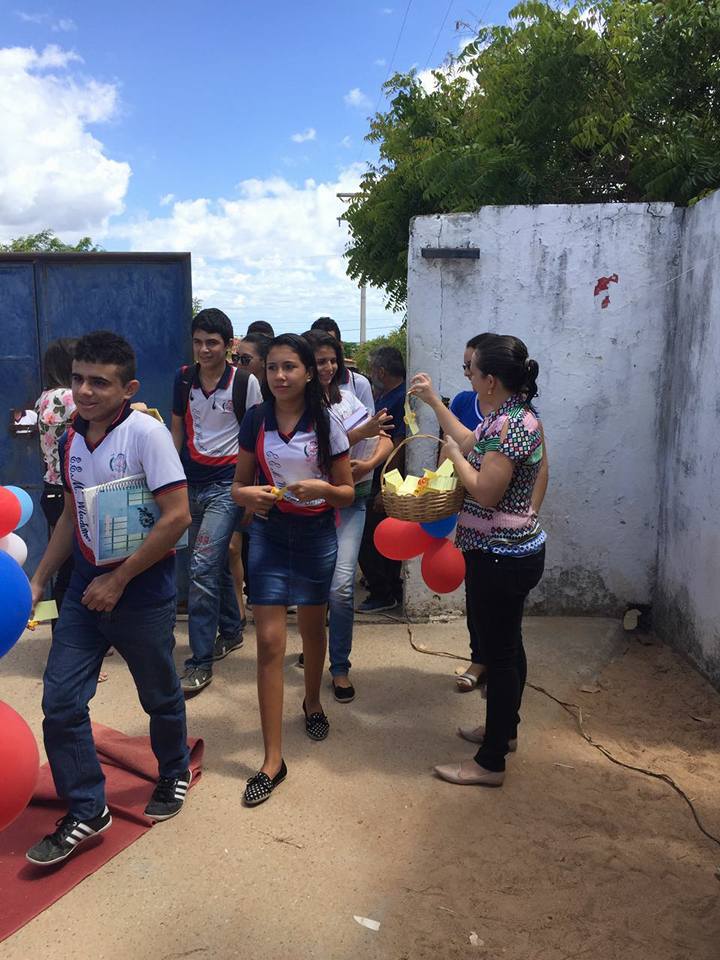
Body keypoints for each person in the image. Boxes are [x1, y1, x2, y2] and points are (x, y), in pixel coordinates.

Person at [26, 332, 193, 866]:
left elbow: (178, 517)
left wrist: (118, 581)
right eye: (78, 379)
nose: (84, 391)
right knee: (60, 701)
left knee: (158, 693)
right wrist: (39, 579)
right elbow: (70, 515)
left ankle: (173, 770)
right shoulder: (71, 436)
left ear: (129, 388)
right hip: (82, 588)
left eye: (99, 382)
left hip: (140, 591)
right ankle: (86, 807)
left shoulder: (147, 435)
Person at [410, 334, 546, 788]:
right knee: (508, 645)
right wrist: (435, 404)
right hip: (507, 551)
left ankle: (490, 763)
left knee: (500, 656)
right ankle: (504, 732)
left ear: (490, 380)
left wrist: (453, 456)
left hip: (501, 555)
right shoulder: (508, 415)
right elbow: (470, 439)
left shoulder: (511, 425)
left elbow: (485, 491)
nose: (468, 376)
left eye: (472, 371)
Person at [232, 334, 354, 806]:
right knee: (268, 642)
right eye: (272, 368)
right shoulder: (256, 419)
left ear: (308, 372)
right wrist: (249, 495)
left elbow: (346, 492)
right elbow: (238, 486)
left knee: (311, 628)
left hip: (316, 536)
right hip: (268, 533)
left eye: (289, 367)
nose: (280, 376)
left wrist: (321, 488)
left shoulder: (327, 422)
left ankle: (313, 701)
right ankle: (272, 761)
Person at [171, 309, 263, 694]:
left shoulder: (245, 382)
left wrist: (249, 496)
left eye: (212, 342)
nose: (204, 349)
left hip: (228, 486)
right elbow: (177, 430)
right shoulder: (184, 379)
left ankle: (200, 661)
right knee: (214, 562)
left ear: (229, 344)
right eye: (198, 342)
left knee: (201, 567)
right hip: (190, 484)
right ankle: (231, 629)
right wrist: (170, 480)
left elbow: (257, 438)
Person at [304, 331, 393, 701]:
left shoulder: (347, 398)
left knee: (341, 587)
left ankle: (339, 666)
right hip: (311, 506)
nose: (327, 368)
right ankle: (313, 648)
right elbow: (315, 453)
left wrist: (369, 463)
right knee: (313, 587)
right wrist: (359, 435)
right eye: (318, 361)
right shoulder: (296, 409)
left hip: (352, 501)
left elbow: (384, 437)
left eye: (331, 360)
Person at [356, 345, 407, 613]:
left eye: (372, 369)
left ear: (381, 371)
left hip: (384, 479)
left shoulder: (397, 399)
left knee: (367, 539)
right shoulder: (388, 396)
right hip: (378, 476)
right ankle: (388, 588)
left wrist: (385, 488)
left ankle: (382, 592)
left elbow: (397, 445)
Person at [34, 338, 77, 630]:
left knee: (65, 567)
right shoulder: (69, 398)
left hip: (51, 489)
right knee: (73, 571)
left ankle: (61, 632)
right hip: (67, 491)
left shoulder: (44, 397)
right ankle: (67, 637)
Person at [227, 330, 271, 616]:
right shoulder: (240, 390)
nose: (238, 365)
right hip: (239, 481)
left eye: (245, 359)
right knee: (233, 548)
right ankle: (238, 614)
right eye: (236, 358)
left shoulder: (279, 401)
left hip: (269, 492)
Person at [310, 316, 374, 412]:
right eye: (321, 362)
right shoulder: (298, 392)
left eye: (331, 344)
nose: (329, 368)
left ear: (340, 346)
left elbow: (368, 418)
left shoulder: (356, 388)